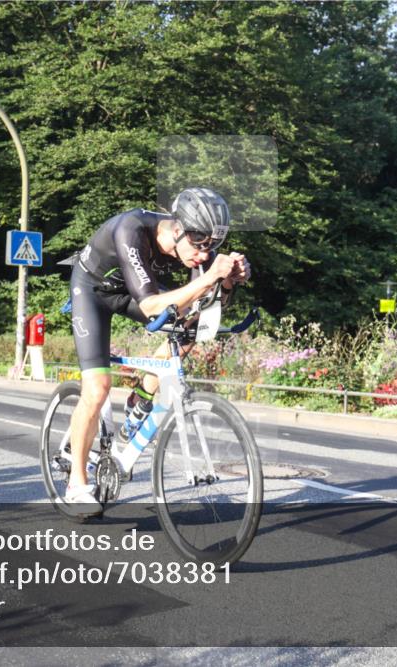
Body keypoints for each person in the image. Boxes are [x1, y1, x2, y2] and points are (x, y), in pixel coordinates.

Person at [64, 187, 251, 514]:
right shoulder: (132, 229)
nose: (204, 255)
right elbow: (151, 305)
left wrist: (227, 282)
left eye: (213, 247)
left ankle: (141, 399)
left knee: (191, 326)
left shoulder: (192, 244)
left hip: (130, 292)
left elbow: (203, 309)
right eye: (199, 245)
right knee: (98, 389)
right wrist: (210, 279)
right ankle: (76, 485)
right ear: (177, 229)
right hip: (92, 290)